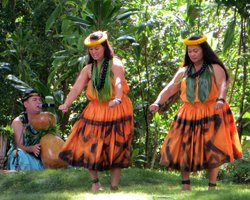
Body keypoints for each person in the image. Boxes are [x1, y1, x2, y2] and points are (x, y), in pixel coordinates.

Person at [149, 35, 242, 191]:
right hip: (189, 113)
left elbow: (223, 85)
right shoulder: (184, 71)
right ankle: (185, 185)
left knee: (212, 149)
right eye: (190, 51)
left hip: (211, 111)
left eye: (196, 51)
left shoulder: (215, 68)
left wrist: (220, 99)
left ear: (203, 51)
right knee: (183, 147)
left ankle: (212, 186)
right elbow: (171, 88)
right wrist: (158, 102)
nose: (192, 54)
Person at [58, 31, 134, 193]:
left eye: (97, 49)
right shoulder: (88, 68)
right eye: (91, 50)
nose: (94, 52)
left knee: (115, 146)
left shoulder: (115, 63)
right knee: (88, 145)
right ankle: (95, 183)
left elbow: (119, 82)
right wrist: (67, 103)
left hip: (116, 108)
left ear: (105, 48)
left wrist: (118, 98)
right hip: (95, 110)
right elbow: (77, 88)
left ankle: (114, 187)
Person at [7, 90, 44, 170]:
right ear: (26, 104)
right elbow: (18, 146)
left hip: (40, 160)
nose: (38, 102)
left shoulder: (44, 120)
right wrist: (32, 148)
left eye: (39, 99)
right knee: (19, 154)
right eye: (34, 100)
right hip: (23, 159)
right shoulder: (18, 122)